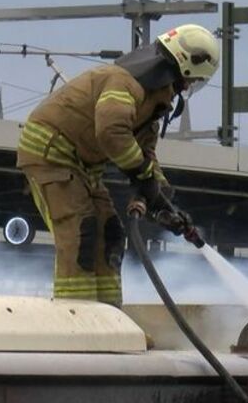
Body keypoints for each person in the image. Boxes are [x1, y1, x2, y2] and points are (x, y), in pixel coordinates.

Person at [16, 24, 220, 306]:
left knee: (111, 232)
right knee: (81, 232)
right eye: (192, 80)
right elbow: (111, 132)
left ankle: (111, 320)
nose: (187, 88)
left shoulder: (151, 100)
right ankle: (76, 320)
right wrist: (143, 176)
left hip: (84, 168)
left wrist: (162, 200)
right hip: (51, 155)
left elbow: (145, 155)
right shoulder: (124, 83)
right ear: (184, 69)